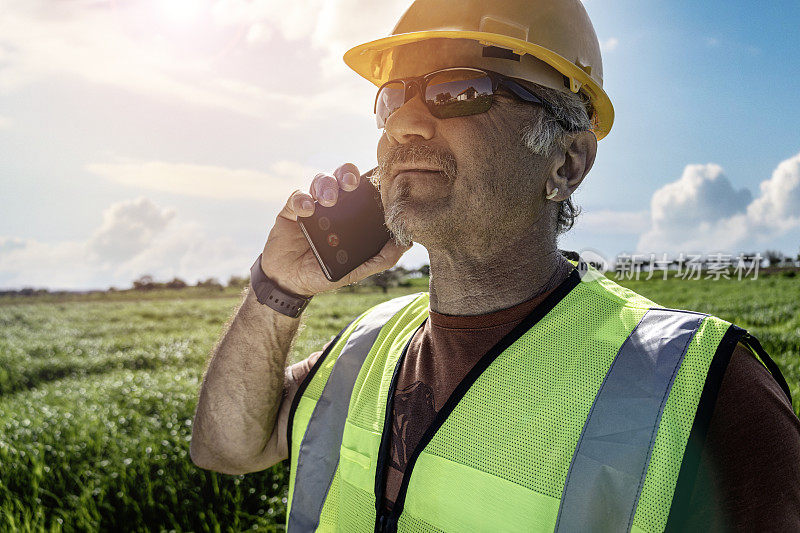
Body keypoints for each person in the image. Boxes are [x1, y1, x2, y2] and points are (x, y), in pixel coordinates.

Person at [190, 0, 800, 531]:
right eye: (393, 97)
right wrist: (278, 292)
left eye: (459, 92)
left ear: (567, 162)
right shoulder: (366, 343)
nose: (403, 122)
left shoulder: (703, 391)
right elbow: (226, 449)